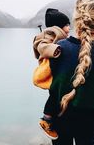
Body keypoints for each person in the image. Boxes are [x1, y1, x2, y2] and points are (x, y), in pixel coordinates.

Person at [39, 0, 94, 145]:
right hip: (91, 124)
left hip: (60, 122)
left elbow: (46, 79)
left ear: (77, 19)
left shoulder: (57, 49)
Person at [32, 8, 70, 140]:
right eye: (66, 25)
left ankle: (49, 119)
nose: (69, 27)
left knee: (54, 95)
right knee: (54, 96)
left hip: (54, 71)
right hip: (52, 71)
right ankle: (46, 120)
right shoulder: (50, 34)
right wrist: (56, 49)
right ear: (58, 26)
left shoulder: (56, 35)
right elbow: (41, 46)